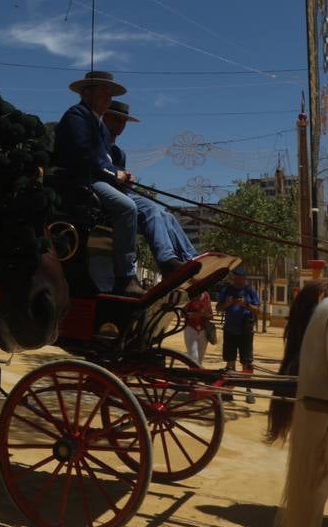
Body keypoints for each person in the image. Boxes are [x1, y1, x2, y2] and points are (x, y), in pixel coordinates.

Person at [52, 70, 138, 292]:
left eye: (111, 94)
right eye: (104, 93)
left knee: (147, 208)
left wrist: (122, 174)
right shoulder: (77, 116)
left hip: (100, 179)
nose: (109, 98)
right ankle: (125, 276)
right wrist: (115, 175)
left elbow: (104, 160)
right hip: (81, 180)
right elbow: (85, 156)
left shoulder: (98, 125)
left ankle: (171, 260)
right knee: (127, 207)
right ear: (86, 93)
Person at [102, 100, 200, 278]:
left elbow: (120, 181)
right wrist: (117, 175)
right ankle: (166, 259)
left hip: (121, 193)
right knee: (151, 208)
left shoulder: (118, 153)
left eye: (124, 121)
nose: (121, 124)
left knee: (167, 216)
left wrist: (127, 180)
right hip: (105, 199)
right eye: (117, 119)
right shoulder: (98, 144)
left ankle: (191, 259)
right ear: (105, 118)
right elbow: (98, 168)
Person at [216, 266, 261, 402]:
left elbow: (258, 310)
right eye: (235, 277)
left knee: (246, 362)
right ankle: (229, 390)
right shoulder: (227, 290)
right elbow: (218, 308)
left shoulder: (249, 291)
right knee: (230, 361)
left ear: (244, 278)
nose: (237, 280)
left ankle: (248, 390)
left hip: (246, 330)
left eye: (240, 278)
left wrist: (245, 305)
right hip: (230, 330)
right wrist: (226, 304)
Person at [182, 289, 214, 366]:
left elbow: (211, 315)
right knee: (193, 357)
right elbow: (182, 314)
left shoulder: (206, 295)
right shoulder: (188, 295)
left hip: (204, 330)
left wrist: (205, 314)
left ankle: (196, 372)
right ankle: (193, 372)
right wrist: (197, 314)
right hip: (190, 328)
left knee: (200, 359)